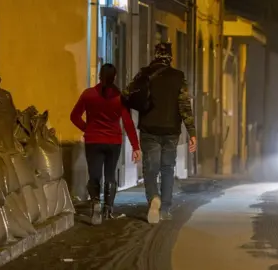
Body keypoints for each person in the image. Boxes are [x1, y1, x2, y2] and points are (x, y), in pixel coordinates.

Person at [129, 42, 197, 224]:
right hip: (171, 131)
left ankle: (153, 198)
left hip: (149, 128)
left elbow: (127, 94)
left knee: (150, 169)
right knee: (167, 168)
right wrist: (192, 132)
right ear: (171, 57)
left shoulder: (144, 74)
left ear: (155, 55)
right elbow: (184, 106)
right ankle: (165, 208)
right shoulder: (178, 77)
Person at [70, 63, 141, 225]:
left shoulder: (88, 94)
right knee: (110, 175)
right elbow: (128, 123)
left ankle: (95, 203)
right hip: (113, 142)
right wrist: (136, 147)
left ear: (100, 76)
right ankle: (108, 210)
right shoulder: (120, 97)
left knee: (94, 174)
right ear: (114, 77)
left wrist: (87, 129)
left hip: (93, 141)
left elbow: (74, 116)